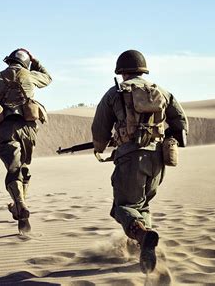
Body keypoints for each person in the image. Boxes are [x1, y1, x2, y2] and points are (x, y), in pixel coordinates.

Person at [91, 50, 188, 273]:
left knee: (122, 207)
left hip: (131, 158)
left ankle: (144, 236)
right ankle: (144, 250)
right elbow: (180, 121)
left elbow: (100, 128)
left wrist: (100, 147)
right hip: (158, 159)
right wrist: (171, 139)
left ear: (121, 72)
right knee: (142, 204)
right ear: (143, 70)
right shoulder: (161, 92)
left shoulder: (115, 93)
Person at [0, 48, 52, 233]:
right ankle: (21, 213)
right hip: (28, 129)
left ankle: (19, 204)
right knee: (23, 167)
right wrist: (36, 61)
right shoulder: (31, 75)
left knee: (13, 169)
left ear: (9, 61)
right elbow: (48, 78)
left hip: (6, 128)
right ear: (25, 62)